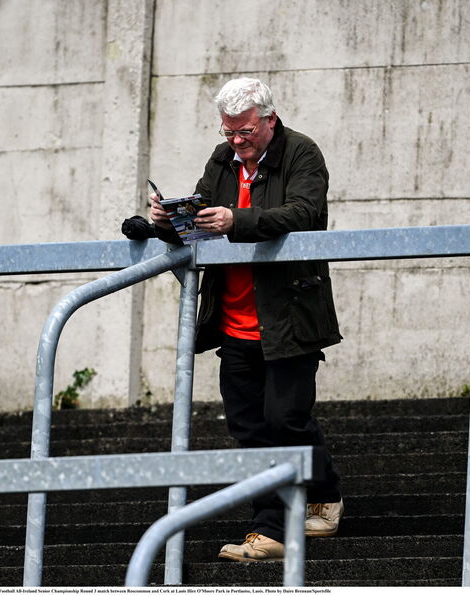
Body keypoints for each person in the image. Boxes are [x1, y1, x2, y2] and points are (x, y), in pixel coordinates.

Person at [150, 78, 344, 561]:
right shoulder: (221, 159)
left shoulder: (302, 153)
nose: (235, 140)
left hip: (290, 319)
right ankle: (325, 497)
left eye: (244, 131)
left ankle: (271, 531)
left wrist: (238, 220)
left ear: (269, 120)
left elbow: (303, 213)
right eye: (228, 131)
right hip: (233, 321)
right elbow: (201, 214)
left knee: (285, 420)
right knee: (252, 427)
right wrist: (166, 219)